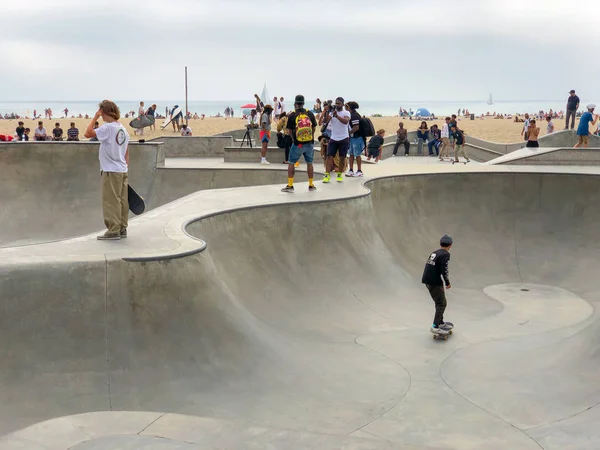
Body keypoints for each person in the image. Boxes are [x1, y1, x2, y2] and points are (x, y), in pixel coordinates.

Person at [83, 100, 130, 240]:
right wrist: (125, 167)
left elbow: (87, 133)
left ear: (103, 111)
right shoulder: (123, 129)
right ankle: (122, 228)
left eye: (101, 112)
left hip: (110, 170)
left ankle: (113, 230)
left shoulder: (108, 128)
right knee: (122, 200)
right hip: (122, 169)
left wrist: (95, 117)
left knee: (111, 200)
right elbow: (126, 152)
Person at [281, 94, 317, 193]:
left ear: (295, 103)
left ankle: (290, 185)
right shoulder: (309, 114)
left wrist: (294, 139)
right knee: (309, 163)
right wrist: (310, 138)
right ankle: (311, 184)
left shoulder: (292, 115)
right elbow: (314, 128)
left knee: (291, 163)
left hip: (298, 144)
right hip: (309, 143)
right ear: (303, 103)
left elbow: (288, 130)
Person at [422, 235, 454, 336]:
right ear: (450, 245)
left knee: (439, 302)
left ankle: (440, 322)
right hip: (434, 282)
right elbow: (444, 270)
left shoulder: (435, 252)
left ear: (440, 244)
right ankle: (435, 326)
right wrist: (447, 282)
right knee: (442, 303)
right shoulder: (445, 254)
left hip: (427, 280)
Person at [322, 97, 350, 183]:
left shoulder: (346, 112)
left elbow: (345, 121)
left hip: (344, 138)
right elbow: (325, 121)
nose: (337, 105)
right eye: (336, 103)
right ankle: (327, 174)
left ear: (342, 104)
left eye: (339, 103)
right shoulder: (331, 113)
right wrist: (327, 112)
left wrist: (336, 116)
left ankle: (339, 174)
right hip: (333, 138)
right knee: (329, 156)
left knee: (342, 157)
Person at [346, 101, 364, 177]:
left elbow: (356, 127)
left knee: (357, 155)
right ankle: (351, 170)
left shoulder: (354, 115)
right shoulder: (352, 114)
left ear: (349, 107)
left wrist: (349, 133)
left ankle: (359, 170)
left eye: (346, 107)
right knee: (351, 154)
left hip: (357, 137)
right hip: (353, 138)